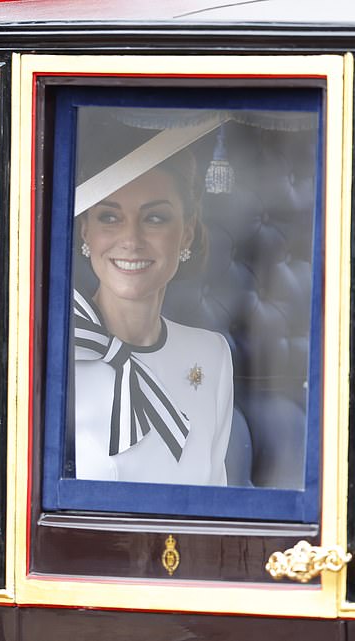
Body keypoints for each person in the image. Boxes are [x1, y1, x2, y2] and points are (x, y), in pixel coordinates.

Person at [72, 139, 234, 486]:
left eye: (155, 218)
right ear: (86, 230)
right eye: (110, 217)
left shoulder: (212, 355)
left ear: (186, 232)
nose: (131, 239)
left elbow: (215, 509)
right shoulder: (39, 354)